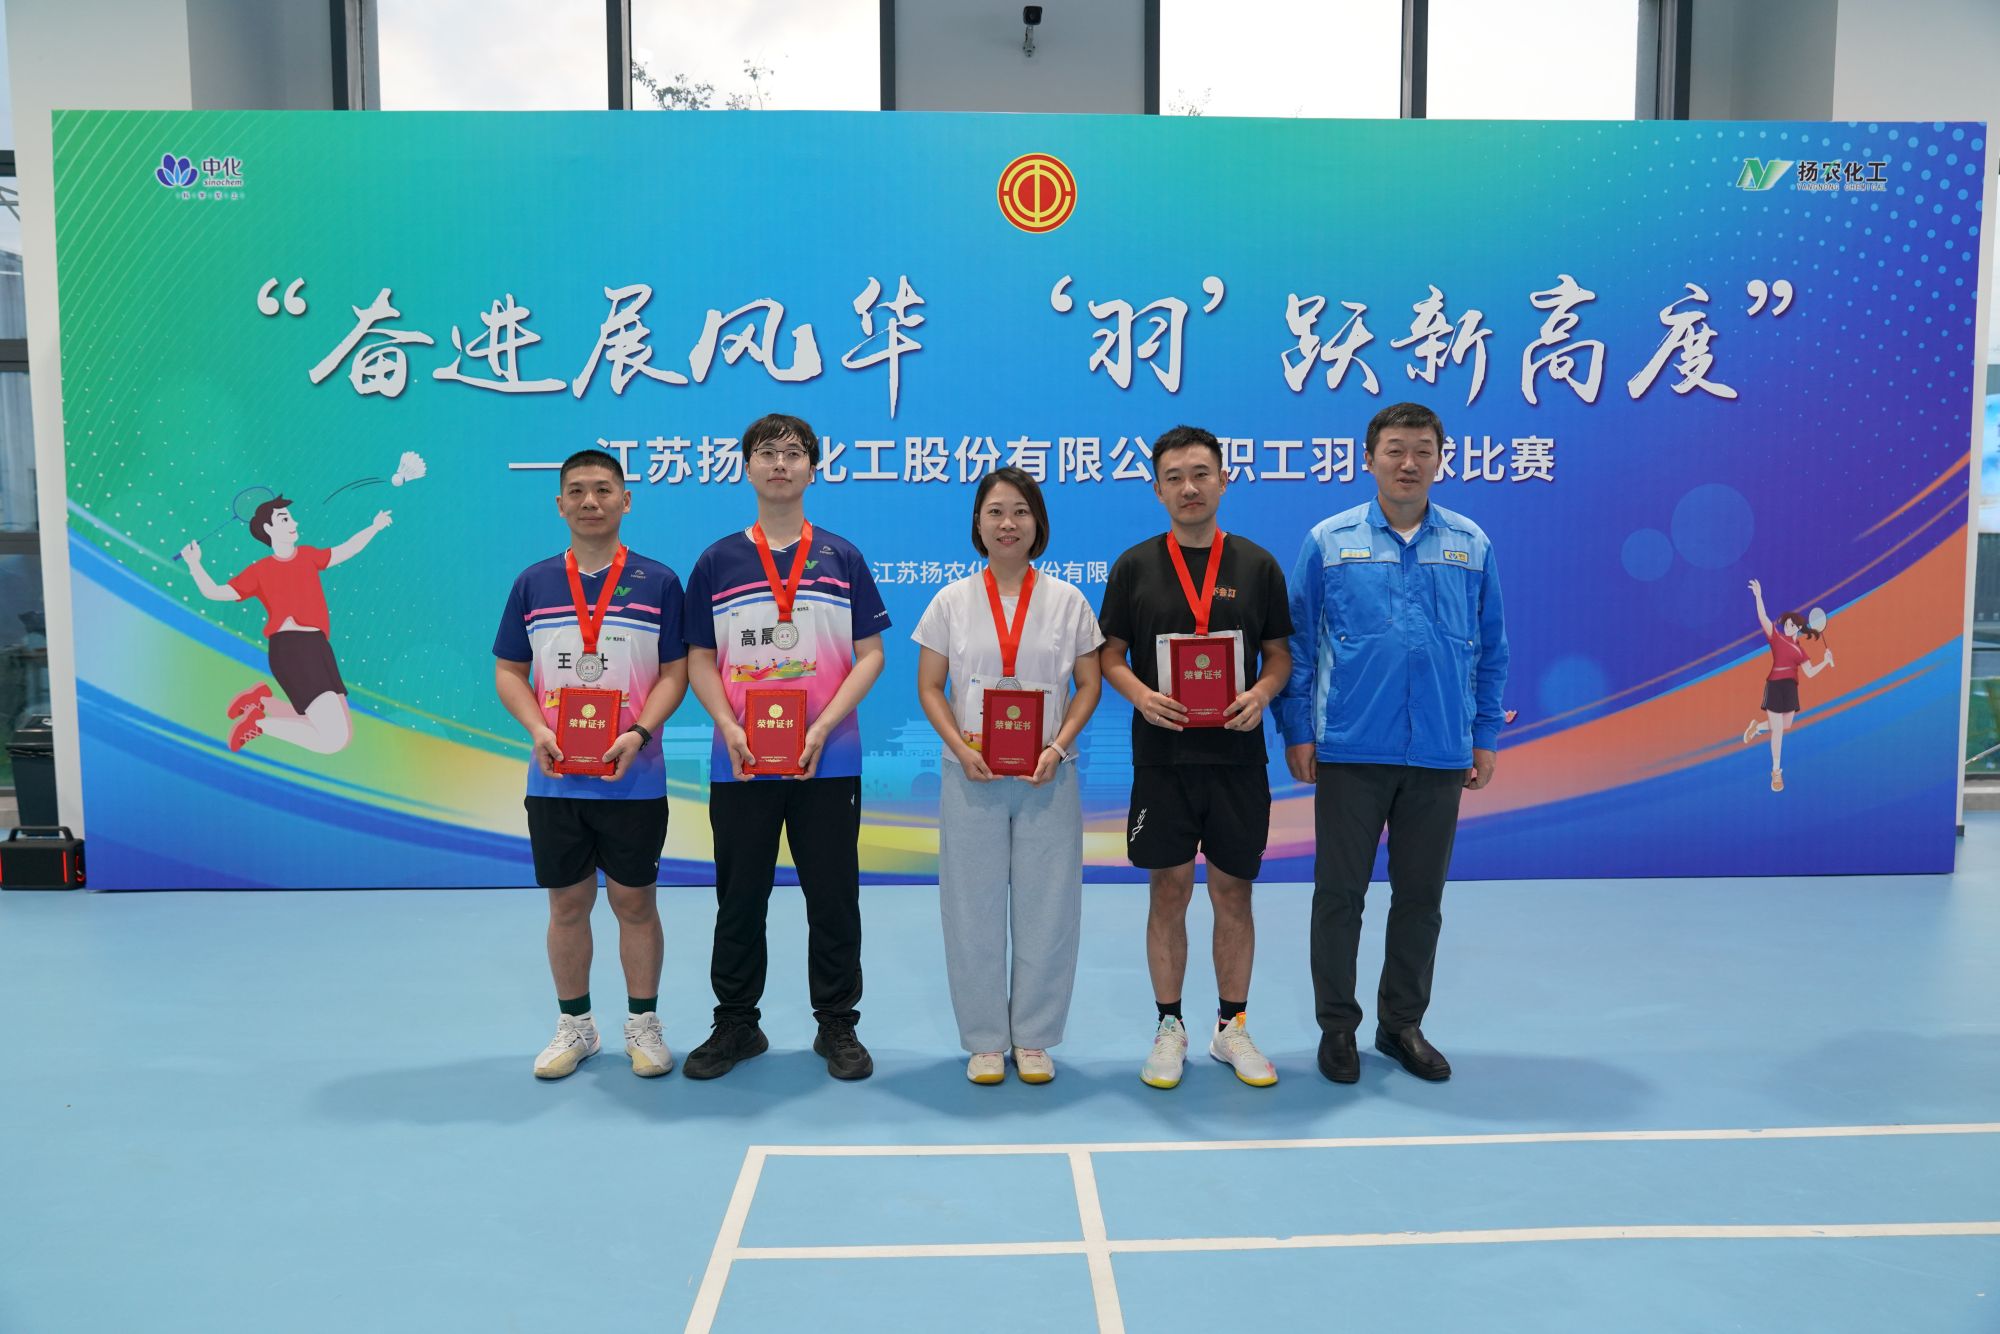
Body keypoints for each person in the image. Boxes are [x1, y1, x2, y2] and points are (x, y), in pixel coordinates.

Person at [1276, 402, 1509, 1086]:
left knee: (1420, 899)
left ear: (1441, 458)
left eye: (1423, 450)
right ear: (1369, 458)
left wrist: (1483, 734)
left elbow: (1491, 648)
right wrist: (1298, 731)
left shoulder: (1471, 544)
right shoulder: (1329, 541)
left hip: (1440, 751)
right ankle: (1337, 1027)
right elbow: (1297, 645)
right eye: (1395, 449)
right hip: (1351, 747)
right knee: (1339, 896)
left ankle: (1401, 1024)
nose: (1409, 463)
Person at [681, 413, 889, 1081]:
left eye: (794, 453)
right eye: (767, 453)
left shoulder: (842, 557)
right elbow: (699, 659)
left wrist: (824, 725)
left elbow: (870, 655)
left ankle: (837, 1024)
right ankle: (737, 1023)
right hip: (740, 761)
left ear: (812, 469)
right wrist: (728, 725)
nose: (780, 463)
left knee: (833, 896)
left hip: (829, 759)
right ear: (746, 467)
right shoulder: (717, 561)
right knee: (740, 896)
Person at [1098, 425, 1293, 1089]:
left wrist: (1262, 694)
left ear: (1223, 480)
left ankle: (1231, 1027)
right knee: (1169, 888)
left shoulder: (1258, 565)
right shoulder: (1134, 566)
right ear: (1157, 490)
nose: (1189, 487)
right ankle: (1169, 1026)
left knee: (1233, 891)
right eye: (1175, 477)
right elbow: (1110, 654)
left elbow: (1279, 654)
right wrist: (1141, 696)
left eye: (1201, 473)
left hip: (1238, 758)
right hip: (1163, 757)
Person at [492, 448, 689, 1080]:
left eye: (603, 489)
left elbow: (676, 673)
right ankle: (576, 1025)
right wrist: (537, 729)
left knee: (635, 902)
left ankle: (643, 1024)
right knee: (568, 905)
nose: (590, 501)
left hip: (635, 778)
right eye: (576, 491)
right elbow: (509, 670)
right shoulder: (533, 583)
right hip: (555, 779)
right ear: (559, 504)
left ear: (625, 500)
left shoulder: (660, 582)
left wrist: (638, 731)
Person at [913, 467, 1104, 1085]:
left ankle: (1036, 1035)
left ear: (1037, 523)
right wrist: (958, 746)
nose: (1007, 523)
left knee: (1050, 906)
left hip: (1049, 774)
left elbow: (1089, 684)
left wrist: (1059, 745)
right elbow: (929, 686)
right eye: (995, 511)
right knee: (971, 907)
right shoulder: (950, 601)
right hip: (971, 774)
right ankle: (985, 1039)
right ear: (977, 522)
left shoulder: (1069, 601)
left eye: (1020, 511)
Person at [180, 499, 392, 754]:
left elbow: (347, 549)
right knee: (333, 739)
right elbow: (214, 591)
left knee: (336, 729)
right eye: (284, 519)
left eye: (291, 517)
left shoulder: (308, 555)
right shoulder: (260, 571)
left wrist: (374, 527)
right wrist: (194, 564)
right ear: (268, 528)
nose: (294, 522)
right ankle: (258, 723)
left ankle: (261, 702)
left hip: (318, 647)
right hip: (293, 651)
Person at [1741, 580, 1834, 792]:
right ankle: (1776, 772)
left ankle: (1757, 727)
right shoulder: (1776, 638)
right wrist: (1758, 596)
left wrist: (1825, 661)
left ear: (1798, 628)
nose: (1787, 626)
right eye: (1786, 623)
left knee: (1785, 725)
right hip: (1775, 684)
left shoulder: (1800, 651)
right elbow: (1763, 617)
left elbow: (1809, 672)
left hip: (1791, 688)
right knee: (1778, 731)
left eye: (1791, 624)